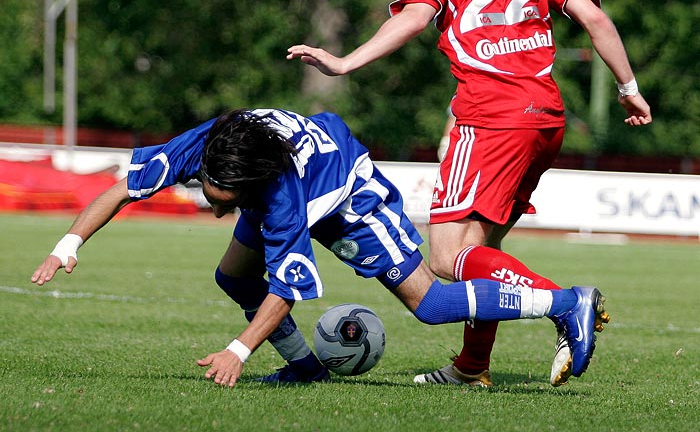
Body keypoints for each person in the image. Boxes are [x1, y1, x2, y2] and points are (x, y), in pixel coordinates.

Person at [287, 0, 650, 387]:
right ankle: (472, 366)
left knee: (444, 259)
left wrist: (345, 63)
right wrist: (628, 87)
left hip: (490, 118)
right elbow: (595, 19)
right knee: (483, 251)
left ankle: (568, 304)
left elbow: (413, 19)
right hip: (545, 118)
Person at [32, 107, 607, 388]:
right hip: (295, 174)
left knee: (430, 304)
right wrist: (68, 244)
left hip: (347, 192)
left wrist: (238, 350)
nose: (212, 207)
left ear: (252, 187)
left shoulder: (280, 200)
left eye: (221, 200)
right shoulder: (205, 146)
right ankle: (306, 370)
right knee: (233, 276)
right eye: (210, 193)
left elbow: (288, 290)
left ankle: (565, 303)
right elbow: (121, 186)